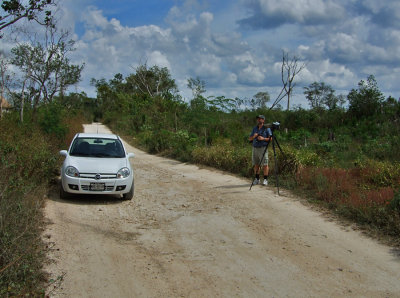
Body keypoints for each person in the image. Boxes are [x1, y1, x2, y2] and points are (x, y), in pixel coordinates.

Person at [249, 115, 272, 185]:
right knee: (256, 164)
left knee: (265, 164)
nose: (259, 120)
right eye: (258, 119)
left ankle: (265, 179)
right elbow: (250, 139)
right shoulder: (254, 128)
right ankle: (257, 179)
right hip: (255, 148)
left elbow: (271, 139)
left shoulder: (267, 128)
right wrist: (254, 136)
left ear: (263, 120)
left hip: (263, 148)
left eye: (261, 119)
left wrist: (263, 139)